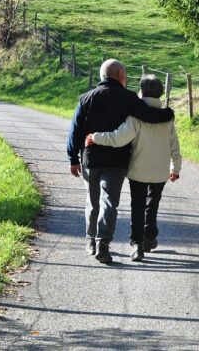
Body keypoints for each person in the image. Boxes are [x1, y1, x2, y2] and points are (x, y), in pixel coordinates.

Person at [67, 60, 174, 264]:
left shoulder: (86, 98)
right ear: (120, 76)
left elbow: (75, 130)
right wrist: (168, 114)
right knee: (109, 202)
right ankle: (103, 243)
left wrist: (73, 158)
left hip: (90, 158)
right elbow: (149, 115)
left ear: (103, 76)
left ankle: (91, 240)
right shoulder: (129, 98)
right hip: (116, 161)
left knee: (92, 201)